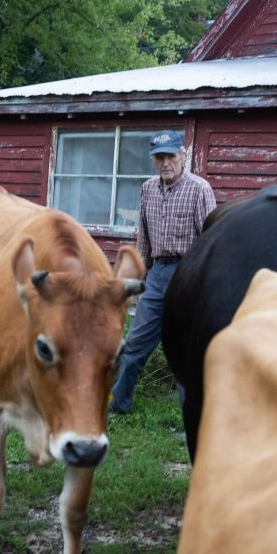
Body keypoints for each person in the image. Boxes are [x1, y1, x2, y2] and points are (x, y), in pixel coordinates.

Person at [109, 130, 216, 414]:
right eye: (159, 157)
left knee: (185, 350)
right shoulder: (147, 189)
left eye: (170, 156)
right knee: (135, 343)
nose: (165, 162)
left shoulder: (199, 189)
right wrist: (137, 280)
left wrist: (203, 283)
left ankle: (193, 416)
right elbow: (143, 237)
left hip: (187, 274)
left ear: (183, 155)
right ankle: (119, 404)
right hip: (156, 274)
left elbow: (210, 239)